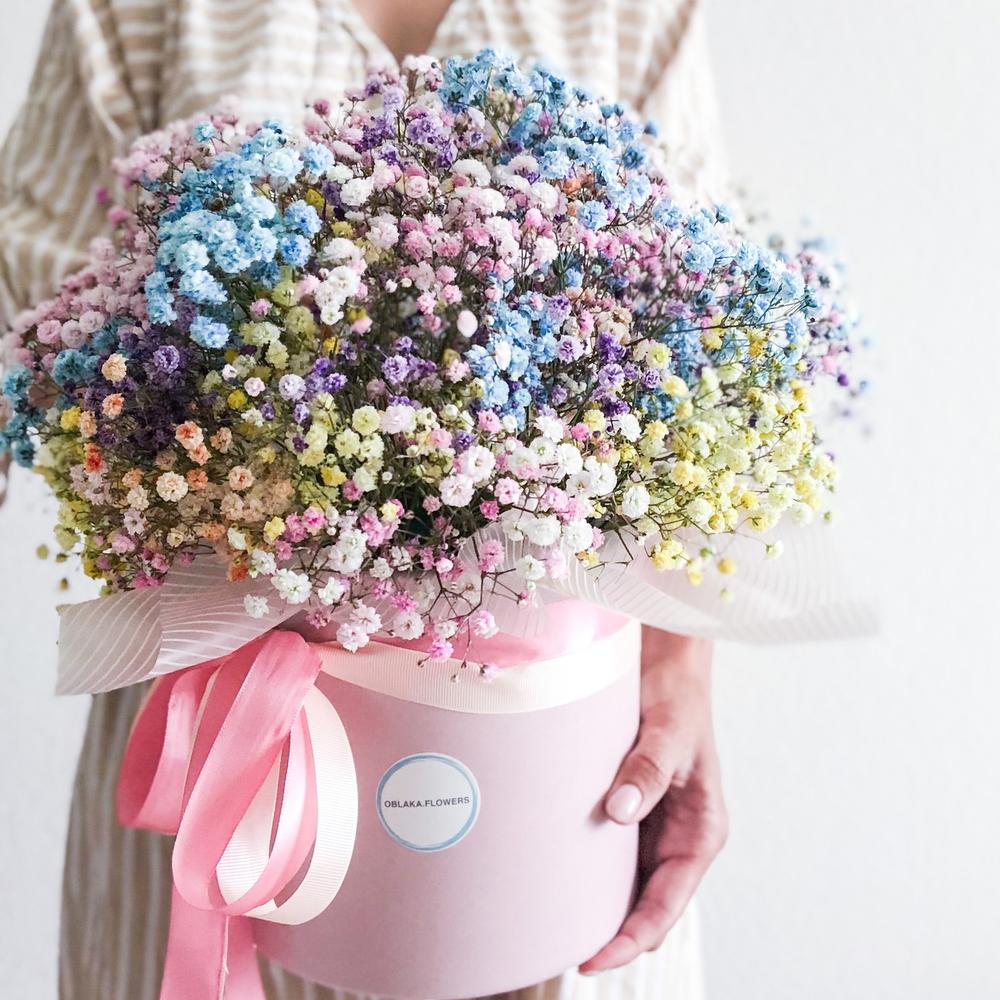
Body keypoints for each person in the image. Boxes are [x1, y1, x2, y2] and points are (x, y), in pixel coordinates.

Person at [0, 2, 729, 997]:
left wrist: (683, 674)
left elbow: (703, 371)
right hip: (231, 770)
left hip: (559, 785)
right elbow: (26, 324)